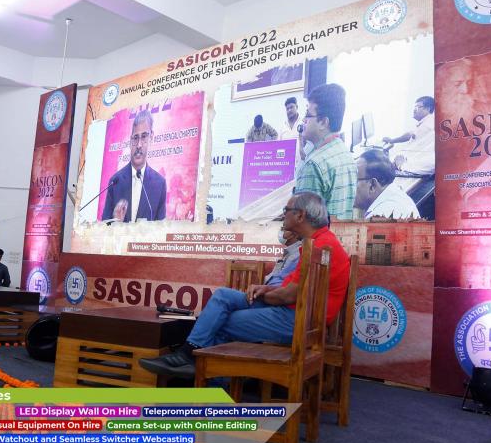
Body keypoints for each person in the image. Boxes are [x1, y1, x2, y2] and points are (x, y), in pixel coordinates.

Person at [138, 192, 350, 378]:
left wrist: (265, 294)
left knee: (220, 322)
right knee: (222, 295)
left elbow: (287, 296)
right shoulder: (321, 242)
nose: (283, 214)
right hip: (294, 311)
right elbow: (292, 289)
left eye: (286, 210)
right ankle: (189, 357)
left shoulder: (320, 247)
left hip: (297, 319)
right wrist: (266, 289)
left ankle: (206, 379)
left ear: (300, 215)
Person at [295, 83, 357, 220]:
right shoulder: (344, 153)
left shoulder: (314, 165)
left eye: (308, 115)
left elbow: (302, 225)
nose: (303, 120)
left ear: (323, 122)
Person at [101, 110, 167, 222]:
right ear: (131, 140)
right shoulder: (115, 181)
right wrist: (115, 222)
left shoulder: (160, 183)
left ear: (151, 138)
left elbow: (161, 228)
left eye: (144, 137)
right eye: (136, 138)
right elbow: (104, 225)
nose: (139, 145)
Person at [354, 149, 420, 219]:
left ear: (372, 185)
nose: (350, 186)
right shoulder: (394, 194)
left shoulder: (381, 216)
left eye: (354, 181)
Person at [383, 96, 435, 175]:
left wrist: (399, 164)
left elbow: (411, 137)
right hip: (411, 162)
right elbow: (410, 134)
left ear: (428, 109)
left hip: (416, 165)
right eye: (414, 107)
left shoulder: (428, 125)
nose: (414, 110)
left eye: (418, 107)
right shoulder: (426, 121)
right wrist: (392, 140)